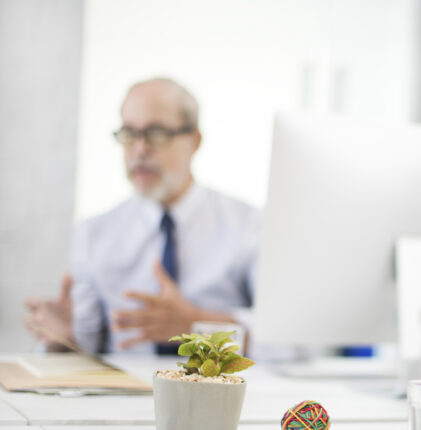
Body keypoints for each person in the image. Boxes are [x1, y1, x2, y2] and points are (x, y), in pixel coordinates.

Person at [22, 78, 259, 354]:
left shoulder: (250, 225)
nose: (140, 149)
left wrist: (197, 325)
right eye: (129, 134)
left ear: (194, 140)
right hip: (127, 395)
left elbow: (290, 344)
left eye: (156, 132)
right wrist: (65, 339)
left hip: (225, 391)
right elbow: (89, 354)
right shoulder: (93, 234)